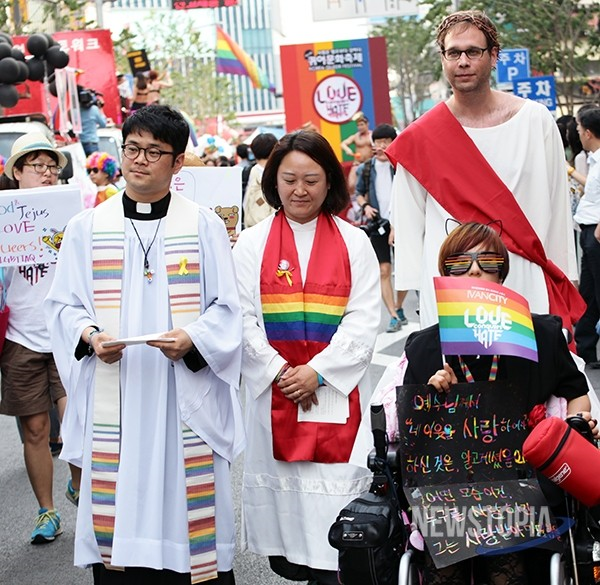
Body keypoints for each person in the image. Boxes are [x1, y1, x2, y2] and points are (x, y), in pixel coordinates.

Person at [44, 105, 244, 585]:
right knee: (120, 511)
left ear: (178, 164)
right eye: (132, 148)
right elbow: (63, 306)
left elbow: (228, 308)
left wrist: (192, 337)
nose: (139, 160)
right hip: (120, 391)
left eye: (155, 152)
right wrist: (92, 337)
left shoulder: (202, 225)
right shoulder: (87, 227)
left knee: (188, 511)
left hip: (183, 397)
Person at [370, 222, 596, 584]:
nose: (474, 269)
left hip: (520, 479)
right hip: (448, 482)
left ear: (501, 273)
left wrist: (579, 424)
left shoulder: (541, 335)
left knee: (505, 561)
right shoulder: (426, 346)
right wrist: (432, 393)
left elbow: (576, 391)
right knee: (448, 560)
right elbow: (412, 431)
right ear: (446, 275)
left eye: (486, 261)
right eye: (460, 263)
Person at [232, 130, 381, 585]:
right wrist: (281, 371)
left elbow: (364, 316)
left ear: (329, 181)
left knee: (336, 506)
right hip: (275, 391)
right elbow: (239, 317)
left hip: (333, 392)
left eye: (312, 180)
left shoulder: (354, 242)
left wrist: (317, 371)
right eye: (290, 179)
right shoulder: (251, 244)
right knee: (290, 520)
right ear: (273, 181)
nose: (300, 190)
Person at [387, 10, 583, 338]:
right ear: (443, 59)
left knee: (531, 382)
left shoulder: (535, 120)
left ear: (493, 57)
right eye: (453, 53)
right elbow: (410, 226)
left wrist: (564, 277)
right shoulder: (420, 136)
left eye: (473, 51)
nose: (462, 61)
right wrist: (420, 295)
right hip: (452, 287)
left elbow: (558, 209)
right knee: (461, 386)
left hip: (525, 277)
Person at [0, 132, 81, 544]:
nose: (48, 173)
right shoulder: (1, 217)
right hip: (20, 338)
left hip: (68, 332)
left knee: (76, 422)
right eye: (37, 166)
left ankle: (80, 488)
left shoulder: (75, 210)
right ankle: (46, 511)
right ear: (16, 172)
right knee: (34, 430)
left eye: (52, 167)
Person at [355, 123, 409, 332]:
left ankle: (399, 305)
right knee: (384, 269)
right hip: (377, 225)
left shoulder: (401, 166)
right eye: (378, 142)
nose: (382, 146)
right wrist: (366, 206)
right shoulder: (366, 169)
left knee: (403, 268)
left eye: (386, 141)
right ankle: (393, 315)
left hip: (401, 223)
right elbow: (358, 194)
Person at [573, 107, 600, 365]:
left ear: (589, 133)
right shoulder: (593, 159)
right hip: (588, 231)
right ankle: (586, 349)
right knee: (589, 294)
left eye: (580, 130)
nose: (578, 134)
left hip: (597, 232)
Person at [242, 132, 278, 228]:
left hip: (252, 228)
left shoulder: (248, 172)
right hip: (273, 227)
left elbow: (245, 203)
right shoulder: (281, 172)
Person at [79, 87, 107, 156]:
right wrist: (100, 109)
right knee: (94, 165)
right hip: (92, 144)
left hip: (80, 144)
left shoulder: (78, 110)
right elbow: (103, 124)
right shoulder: (94, 109)